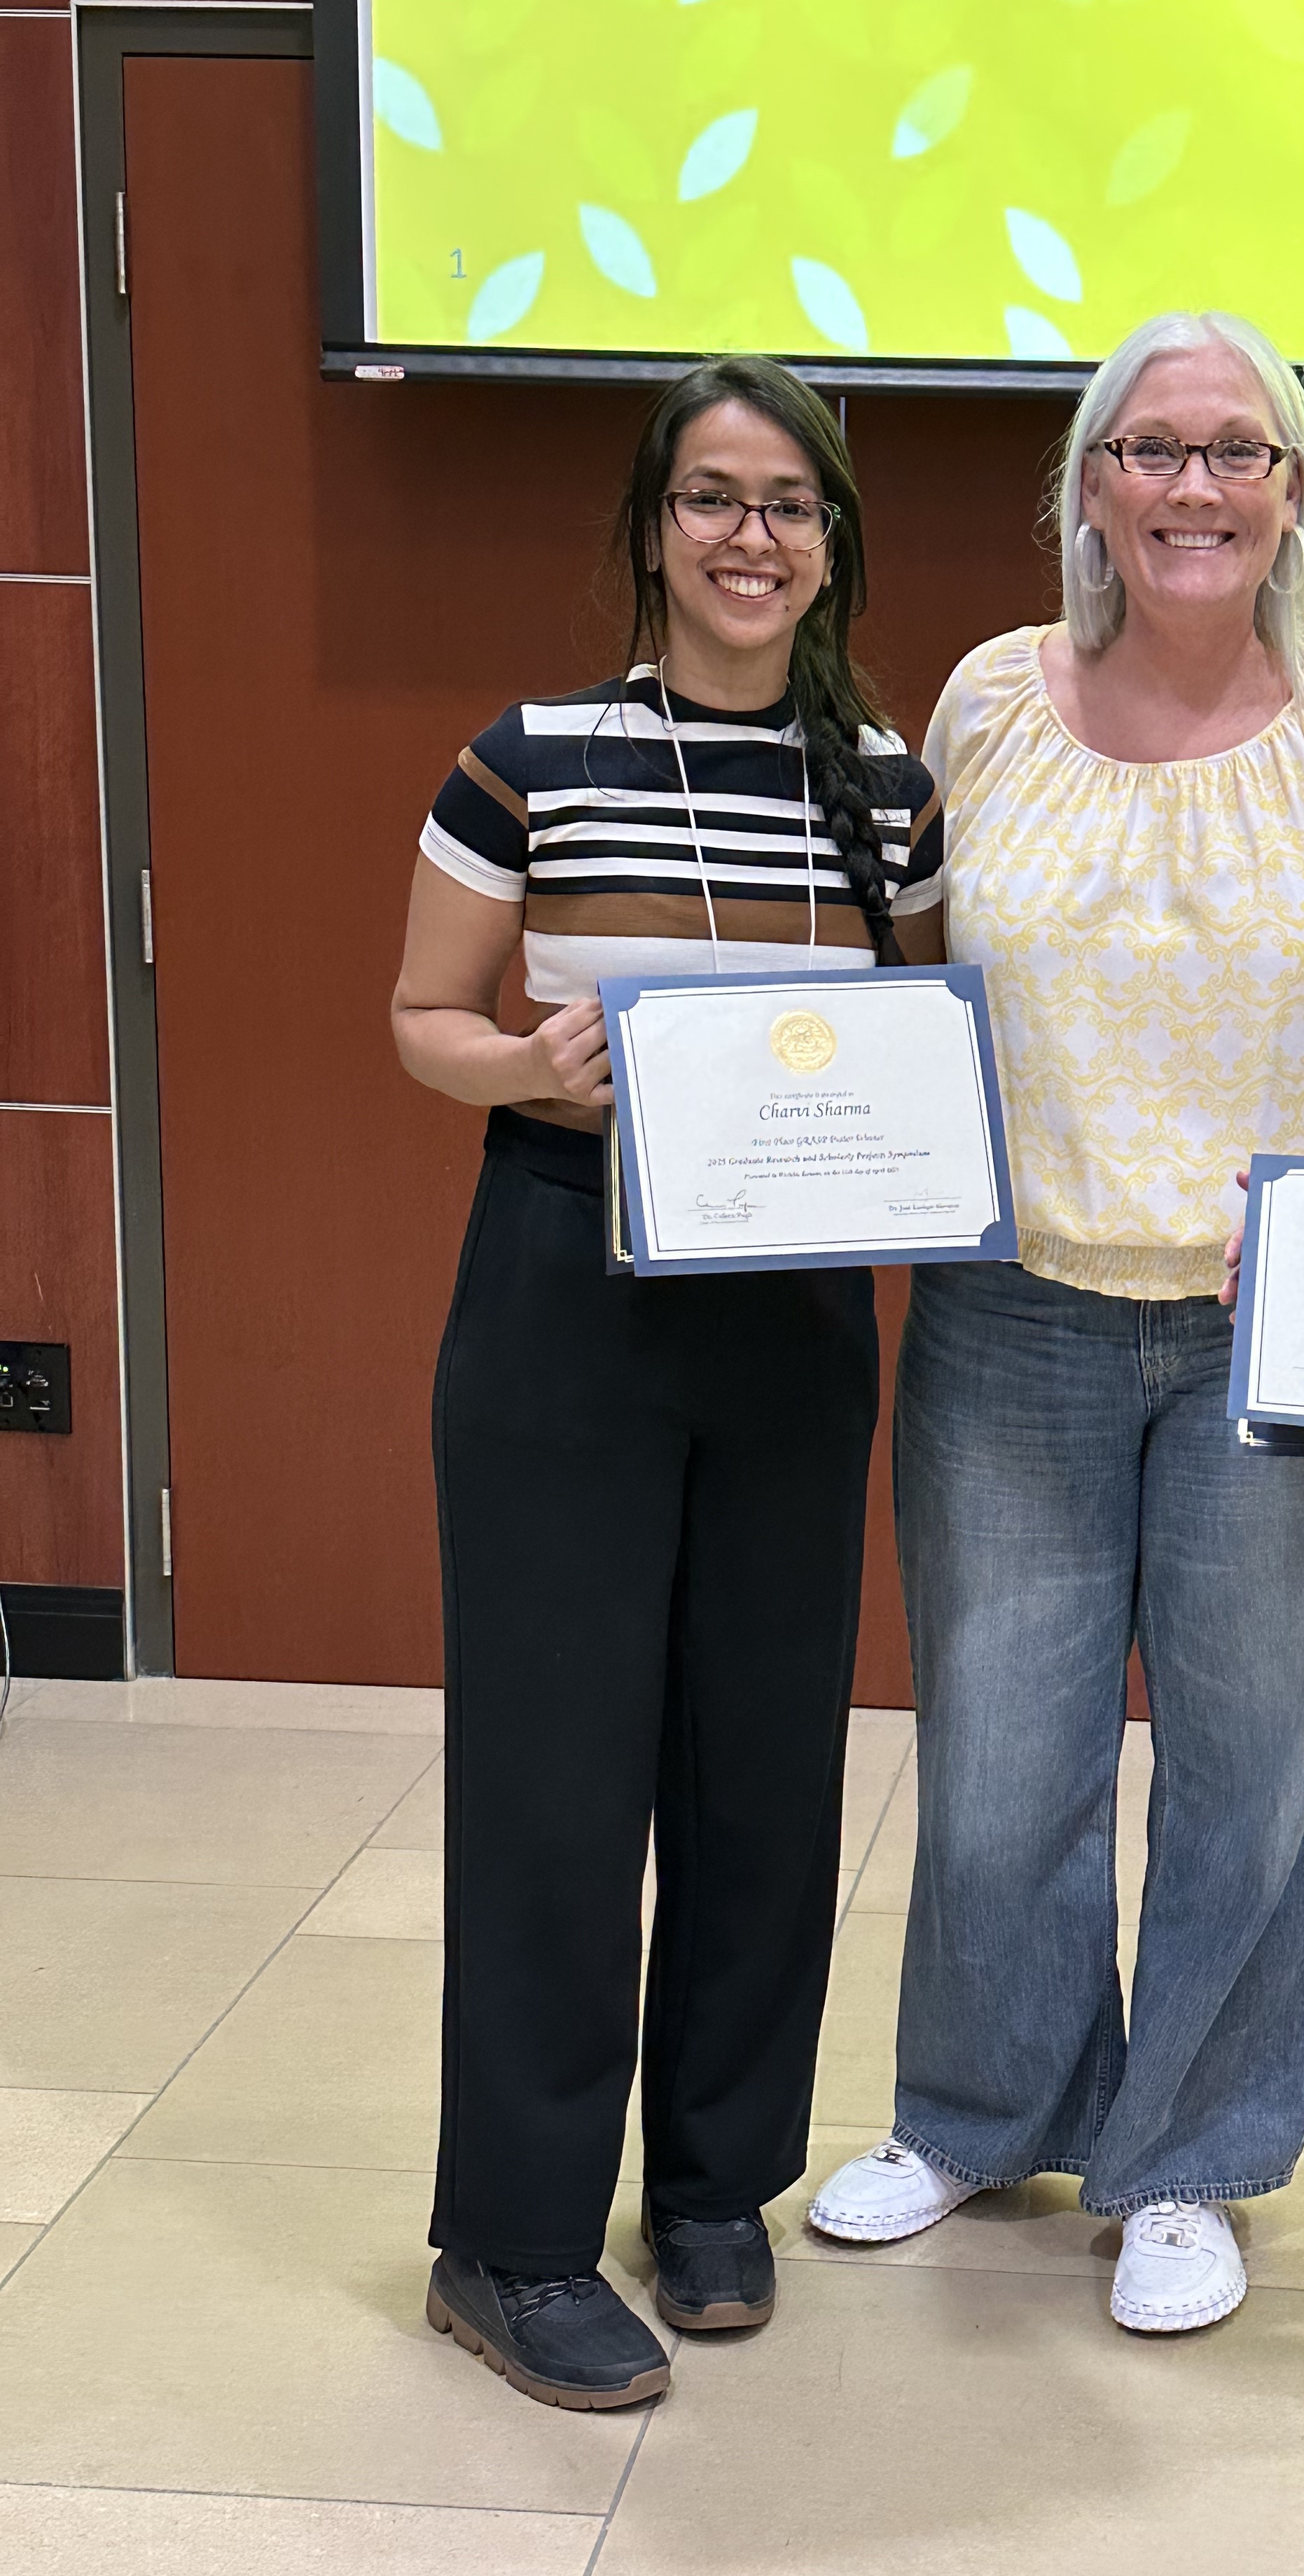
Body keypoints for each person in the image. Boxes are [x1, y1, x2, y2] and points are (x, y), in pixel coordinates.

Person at [806, 312, 1304, 2333]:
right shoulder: (988, 699)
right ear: (1087, 489)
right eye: (1150, 449)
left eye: (1240, 450)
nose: (1194, 486)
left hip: (1271, 1343)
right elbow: (902, 982)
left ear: (1295, 493)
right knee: (999, 1756)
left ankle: (1188, 2163)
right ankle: (985, 2110)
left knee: (1252, 1768)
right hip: (1011, 1316)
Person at [391, 357, 942, 2408]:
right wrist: (524, 1064)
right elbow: (422, 1013)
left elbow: (924, 1041)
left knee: (761, 1760)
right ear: (650, 529)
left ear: (833, 541)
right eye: (712, 498)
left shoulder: (881, 784)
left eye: (790, 504)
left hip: (794, 1315)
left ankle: (714, 2185)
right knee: (554, 1771)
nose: (749, 538)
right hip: (566, 1290)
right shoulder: (525, 759)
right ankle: (511, 2240)